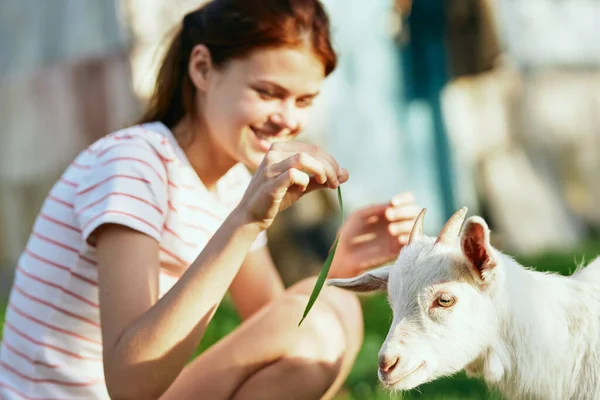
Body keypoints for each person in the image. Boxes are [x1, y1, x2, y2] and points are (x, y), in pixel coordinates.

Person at [0, 0, 421, 398]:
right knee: (322, 329)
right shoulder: (133, 163)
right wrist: (246, 220)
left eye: (304, 100)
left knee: (332, 314)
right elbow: (129, 385)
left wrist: (341, 260)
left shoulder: (230, 183)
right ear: (202, 69)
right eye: (267, 92)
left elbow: (274, 325)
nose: (288, 119)